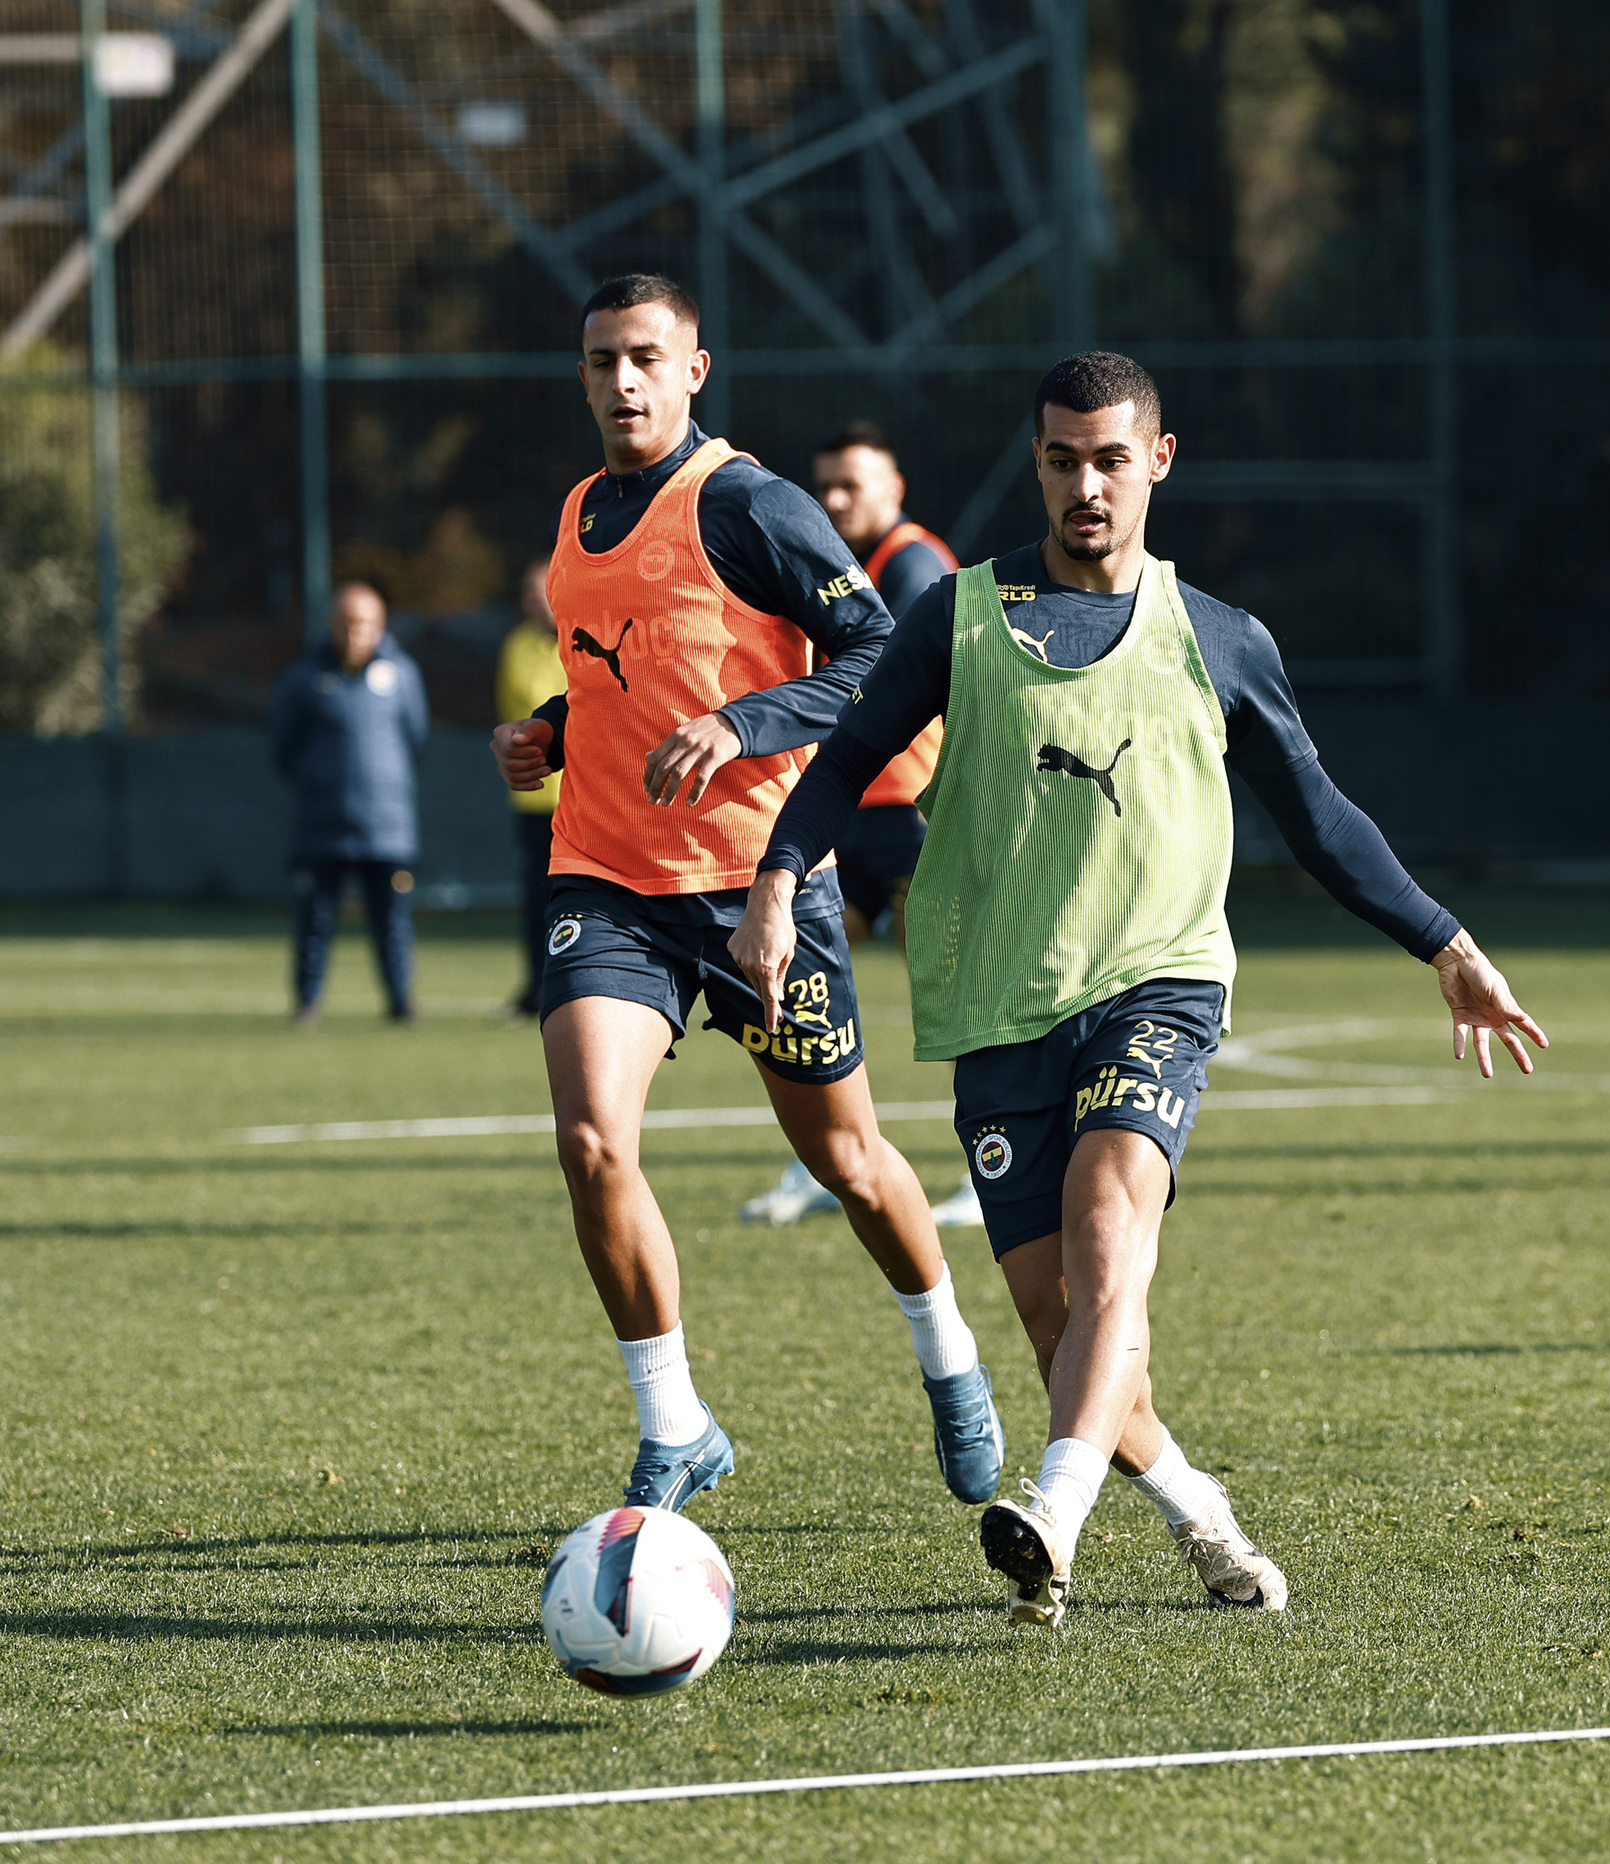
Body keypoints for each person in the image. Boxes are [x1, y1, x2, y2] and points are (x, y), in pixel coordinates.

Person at [732, 352, 1547, 1628]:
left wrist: (1444, 943)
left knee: (1115, 1223)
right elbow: (841, 764)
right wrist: (780, 877)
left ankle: (1049, 1517)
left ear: (1157, 460)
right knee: (1065, 1330)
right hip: (1003, 1007)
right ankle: (1198, 1511)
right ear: (1038, 462)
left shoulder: (1219, 638)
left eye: (1111, 458)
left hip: (1157, 983)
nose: (1085, 485)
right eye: (1062, 459)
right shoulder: (957, 616)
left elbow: (1318, 815)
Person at [489, 273, 1003, 1517]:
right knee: (592, 1139)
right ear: (582, 377)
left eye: (646, 358)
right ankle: (677, 1424)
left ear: (694, 370)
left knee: (849, 1163)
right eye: (604, 360)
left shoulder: (748, 501)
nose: (624, 381)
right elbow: (629, 676)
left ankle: (952, 1361)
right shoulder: (576, 511)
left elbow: (885, 654)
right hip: (606, 878)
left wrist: (741, 724)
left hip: (757, 890)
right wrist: (558, 729)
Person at [741, 420, 982, 1230]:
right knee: (803, 991)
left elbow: (887, 683)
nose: (836, 499)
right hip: (848, 817)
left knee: (963, 1000)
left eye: (853, 484)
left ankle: (998, 1168)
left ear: (895, 488)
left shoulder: (913, 563)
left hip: (913, 814)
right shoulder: (841, 570)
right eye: (826, 486)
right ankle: (825, 1158)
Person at [269, 581, 429, 1025]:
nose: (353, 633)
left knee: (393, 920)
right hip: (322, 824)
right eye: (344, 624)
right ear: (330, 624)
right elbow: (284, 747)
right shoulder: (303, 677)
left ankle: (401, 1003)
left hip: (387, 826)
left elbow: (416, 738)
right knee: (315, 920)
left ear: (379, 627)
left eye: (362, 625)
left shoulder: (403, 675)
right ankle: (307, 1003)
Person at [496, 560, 567, 1017]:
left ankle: (569, 986)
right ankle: (536, 987)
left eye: (536, 589)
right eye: (525, 592)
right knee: (535, 898)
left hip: (582, 799)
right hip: (534, 799)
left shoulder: (587, 640)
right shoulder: (517, 645)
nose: (529, 600)